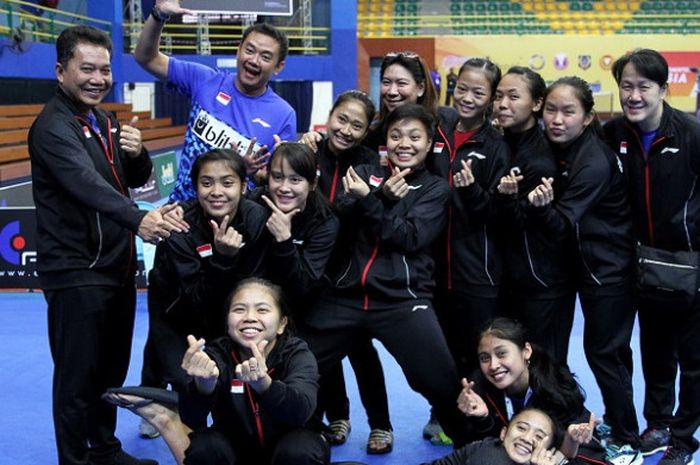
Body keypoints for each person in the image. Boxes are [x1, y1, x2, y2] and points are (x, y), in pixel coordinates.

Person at [28, 24, 174, 465]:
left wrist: (138, 154)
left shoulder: (104, 121)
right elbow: (86, 184)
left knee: (110, 372)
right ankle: (75, 461)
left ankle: (105, 450)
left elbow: (127, 181)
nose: (97, 78)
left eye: (105, 69)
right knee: (76, 380)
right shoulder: (53, 127)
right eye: (86, 68)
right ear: (60, 71)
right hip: (76, 272)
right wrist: (139, 219)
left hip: (115, 268)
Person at [299, 103, 472, 450]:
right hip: (344, 297)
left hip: (402, 300)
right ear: (385, 141)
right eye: (396, 135)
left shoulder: (435, 189)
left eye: (414, 137)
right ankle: (289, 437)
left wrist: (373, 202)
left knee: (442, 383)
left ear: (428, 144)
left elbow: (410, 237)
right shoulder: (363, 171)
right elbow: (338, 217)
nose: (404, 143)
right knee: (296, 365)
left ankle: (474, 445)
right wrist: (376, 195)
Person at [527, 76, 641, 465]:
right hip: (581, 266)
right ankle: (604, 420)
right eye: (551, 110)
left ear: (588, 116)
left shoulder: (592, 161)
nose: (557, 120)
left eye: (568, 112)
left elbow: (561, 224)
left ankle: (627, 437)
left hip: (608, 270)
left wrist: (538, 208)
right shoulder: (563, 150)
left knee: (605, 353)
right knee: (600, 352)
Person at [105, 278, 330, 465]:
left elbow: (300, 411)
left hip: (289, 450)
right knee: (205, 447)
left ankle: (165, 420)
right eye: (239, 309)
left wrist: (264, 384)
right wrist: (203, 385)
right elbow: (193, 418)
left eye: (262, 309)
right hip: (236, 451)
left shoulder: (297, 354)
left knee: (300, 450)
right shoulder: (216, 354)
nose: (250, 317)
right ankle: (165, 420)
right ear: (228, 322)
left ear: (282, 324)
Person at [604, 48, 700, 465]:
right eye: (627, 86)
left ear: (663, 89)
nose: (635, 95)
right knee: (656, 351)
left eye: (645, 86)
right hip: (642, 266)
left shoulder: (692, 134)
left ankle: (682, 437)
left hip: (692, 265)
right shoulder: (612, 135)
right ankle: (658, 423)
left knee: (694, 361)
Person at [139, 148, 269, 433]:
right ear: (195, 187)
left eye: (227, 182)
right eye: (206, 183)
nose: (216, 191)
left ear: (244, 186)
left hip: (227, 311)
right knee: (183, 388)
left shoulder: (257, 218)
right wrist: (223, 259)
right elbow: (194, 301)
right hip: (178, 313)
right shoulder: (179, 224)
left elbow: (254, 285)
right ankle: (154, 401)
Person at [299, 91, 394, 452]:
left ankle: (381, 424)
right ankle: (337, 416)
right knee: (321, 350)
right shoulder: (309, 152)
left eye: (358, 125)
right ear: (330, 115)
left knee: (360, 351)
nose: (347, 130)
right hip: (311, 271)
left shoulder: (371, 162)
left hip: (352, 275)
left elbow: (365, 214)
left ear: (367, 129)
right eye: (342, 120)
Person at [135, 0, 297, 200]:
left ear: (278, 66)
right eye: (249, 50)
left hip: (237, 223)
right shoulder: (204, 80)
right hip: (182, 215)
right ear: (238, 50)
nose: (254, 60)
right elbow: (146, 58)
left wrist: (249, 171)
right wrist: (159, 16)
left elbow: (278, 181)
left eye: (265, 56)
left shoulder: (284, 114)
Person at [431, 58, 510, 377]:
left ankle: (484, 419)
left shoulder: (496, 146)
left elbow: (497, 213)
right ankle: (445, 414)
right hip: (434, 267)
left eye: (478, 92)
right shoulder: (437, 132)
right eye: (462, 89)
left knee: (478, 350)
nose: (467, 98)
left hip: (478, 270)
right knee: (441, 348)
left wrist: (472, 191)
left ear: (491, 99)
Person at [493, 66, 575, 366]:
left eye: (514, 97)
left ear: (536, 104)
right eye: (499, 96)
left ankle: (565, 414)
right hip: (511, 279)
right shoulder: (500, 142)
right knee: (515, 366)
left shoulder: (542, 159)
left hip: (542, 281)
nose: (503, 104)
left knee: (547, 366)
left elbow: (518, 223)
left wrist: (503, 199)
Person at [454, 318, 606, 465]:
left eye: (501, 354)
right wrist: (482, 418)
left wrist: (570, 443)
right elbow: (476, 448)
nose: (493, 365)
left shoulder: (554, 388)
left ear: (526, 351)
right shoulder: (477, 389)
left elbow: (571, 452)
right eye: (484, 358)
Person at [423, 407, 594, 465]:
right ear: (503, 433)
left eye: (539, 436)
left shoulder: (531, 458)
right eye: (521, 428)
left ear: (547, 452)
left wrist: (571, 441)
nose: (527, 438)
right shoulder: (492, 457)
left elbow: (562, 456)